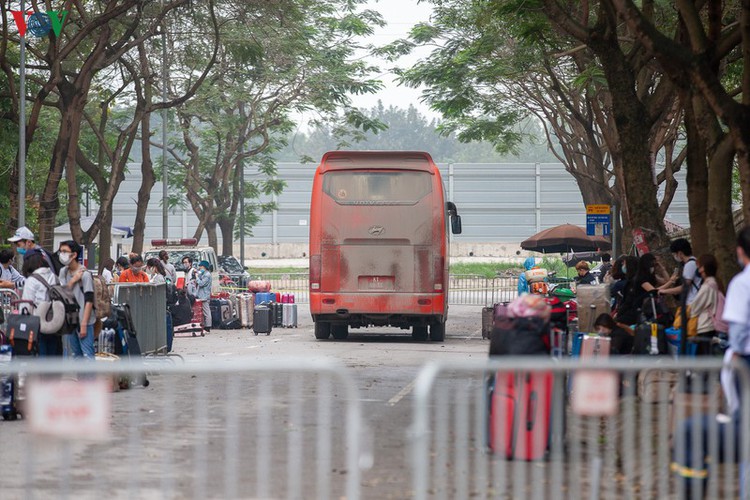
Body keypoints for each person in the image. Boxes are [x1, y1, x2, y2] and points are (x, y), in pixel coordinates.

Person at [671, 228, 750, 497]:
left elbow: (738, 333)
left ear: (739, 251)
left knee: (691, 432)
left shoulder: (739, 283)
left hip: (739, 366)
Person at [57, 240, 95, 360]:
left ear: (74, 255)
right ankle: (81, 379)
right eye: (60, 251)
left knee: (87, 355)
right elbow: (61, 292)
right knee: (76, 355)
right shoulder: (63, 271)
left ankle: (89, 379)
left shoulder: (85, 274)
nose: (61, 254)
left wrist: (84, 323)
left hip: (84, 319)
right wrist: (73, 280)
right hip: (70, 320)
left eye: (64, 251)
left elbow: (89, 300)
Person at [20, 251, 63, 356]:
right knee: (53, 351)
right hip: (56, 322)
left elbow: (26, 304)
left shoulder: (32, 280)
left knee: (40, 352)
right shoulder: (55, 277)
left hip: (38, 323)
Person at [687, 254, 726, 355]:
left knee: (705, 361)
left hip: (705, 326)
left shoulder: (707, 286)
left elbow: (695, 307)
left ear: (704, 268)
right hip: (710, 326)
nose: (698, 270)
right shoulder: (715, 283)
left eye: (699, 267)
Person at [660, 238, 702, 306]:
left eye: (674, 254)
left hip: (694, 302)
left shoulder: (689, 265)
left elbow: (684, 287)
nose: (674, 257)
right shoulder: (694, 260)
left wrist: (665, 291)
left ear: (680, 253)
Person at [195, 260, 212, 333]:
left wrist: (197, 278)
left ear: (205, 267)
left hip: (204, 296)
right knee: (204, 311)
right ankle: (205, 326)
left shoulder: (207, 275)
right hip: (202, 295)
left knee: (206, 312)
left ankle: (208, 327)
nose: (200, 268)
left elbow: (201, 283)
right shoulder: (204, 274)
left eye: (201, 266)